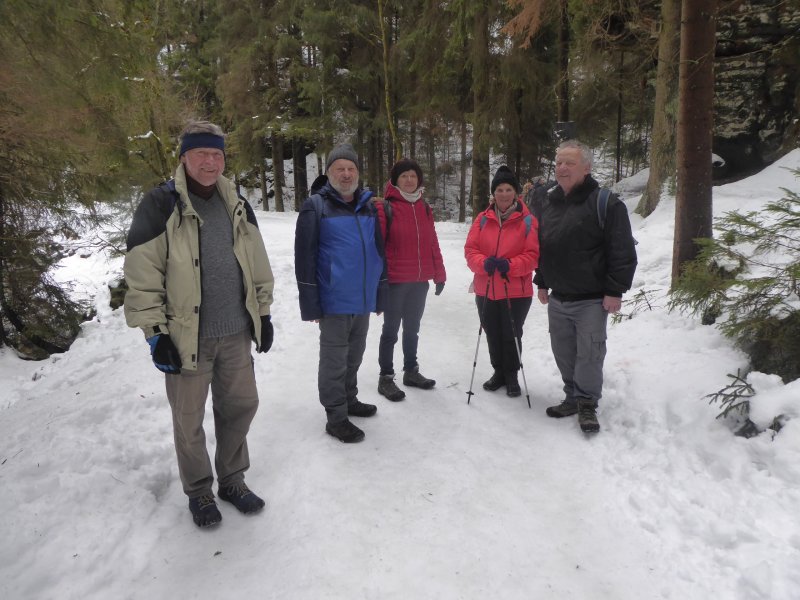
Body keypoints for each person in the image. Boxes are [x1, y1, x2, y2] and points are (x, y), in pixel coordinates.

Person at [124, 120, 274, 528]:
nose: (210, 162)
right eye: (201, 154)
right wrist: (156, 334)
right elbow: (142, 274)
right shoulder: (160, 204)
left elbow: (256, 261)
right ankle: (200, 491)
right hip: (186, 336)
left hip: (235, 332)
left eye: (217, 154)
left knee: (240, 406)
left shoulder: (236, 201)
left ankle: (232, 479)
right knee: (188, 419)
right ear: (184, 157)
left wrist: (262, 312)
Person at [531, 140, 637, 433]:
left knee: (589, 352)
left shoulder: (606, 203)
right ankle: (571, 395)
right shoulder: (549, 202)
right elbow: (545, 247)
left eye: (570, 163)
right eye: (559, 163)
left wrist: (615, 290)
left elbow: (622, 250)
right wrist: (541, 280)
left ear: (586, 168)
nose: (562, 168)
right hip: (558, 296)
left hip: (591, 298)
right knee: (563, 349)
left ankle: (587, 403)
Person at [295, 143, 387, 444]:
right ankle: (335, 416)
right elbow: (304, 258)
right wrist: (311, 304)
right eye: (340, 169)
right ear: (329, 172)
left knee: (355, 355)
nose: (346, 174)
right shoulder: (316, 206)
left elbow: (377, 252)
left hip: (362, 298)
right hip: (334, 300)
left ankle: (349, 399)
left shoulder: (368, 205)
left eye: (351, 169)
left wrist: (379, 292)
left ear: (357, 173)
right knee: (334, 360)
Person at [375, 158, 447, 401]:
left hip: (419, 283)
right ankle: (386, 377)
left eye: (413, 176)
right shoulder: (386, 207)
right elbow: (379, 247)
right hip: (395, 281)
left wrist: (439, 274)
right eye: (404, 176)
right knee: (391, 331)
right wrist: (380, 280)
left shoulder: (424, 208)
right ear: (395, 180)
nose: (409, 180)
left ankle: (411, 371)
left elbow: (432, 243)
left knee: (412, 330)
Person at [464, 166, 539, 397]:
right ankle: (498, 372)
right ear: (493, 193)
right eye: (499, 189)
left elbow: (533, 256)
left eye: (508, 189)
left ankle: (512, 375)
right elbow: (470, 250)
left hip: (516, 290)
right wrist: (483, 262)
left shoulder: (528, 221)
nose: (504, 194)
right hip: (485, 288)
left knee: (512, 334)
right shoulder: (482, 220)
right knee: (492, 332)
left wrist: (510, 265)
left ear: (516, 193)